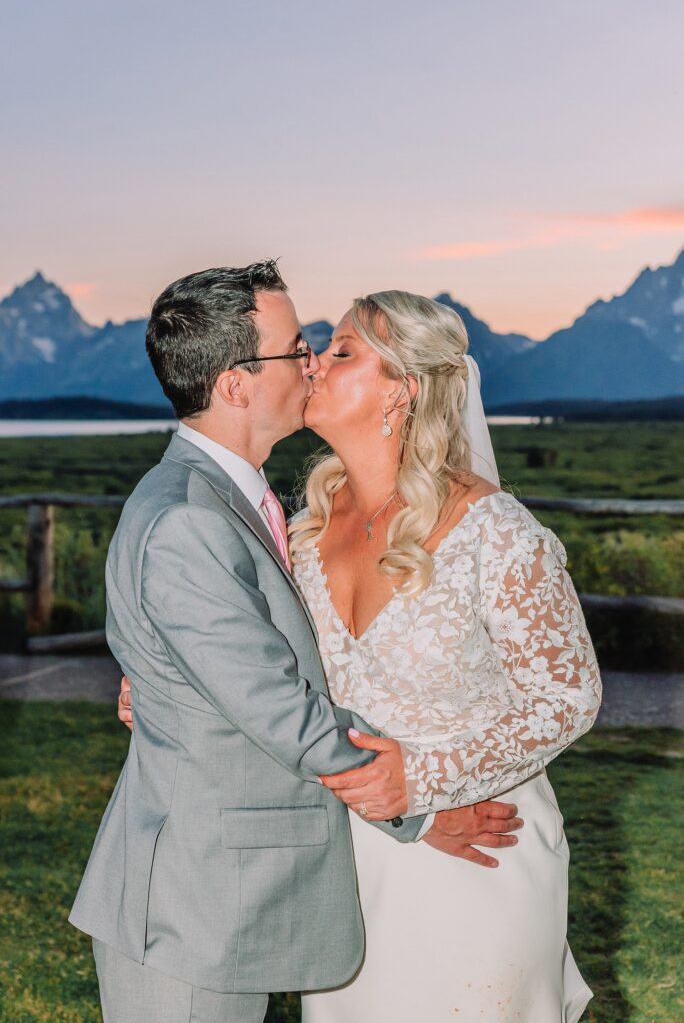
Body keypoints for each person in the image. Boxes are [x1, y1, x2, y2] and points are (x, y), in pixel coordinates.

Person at [71, 263, 522, 1023]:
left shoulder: (231, 499)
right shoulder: (188, 520)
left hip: (222, 893)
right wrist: (418, 805)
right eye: (296, 349)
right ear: (236, 385)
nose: (312, 365)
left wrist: (164, 683)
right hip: (191, 907)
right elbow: (279, 708)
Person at [285, 290, 602, 1022]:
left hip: (481, 848)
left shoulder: (493, 530)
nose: (313, 363)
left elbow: (569, 698)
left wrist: (426, 779)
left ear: (401, 390)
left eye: (341, 351)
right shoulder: (303, 532)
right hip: (349, 860)